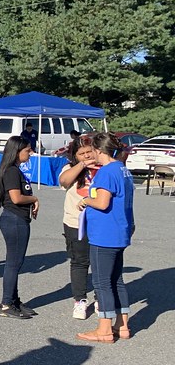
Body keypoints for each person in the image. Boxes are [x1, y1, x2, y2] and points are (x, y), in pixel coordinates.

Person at [76, 132, 136, 344]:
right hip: (120, 230)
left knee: (101, 282)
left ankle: (104, 330)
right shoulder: (122, 169)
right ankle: (122, 325)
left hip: (105, 233)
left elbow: (102, 203)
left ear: (98, 150)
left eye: (92, 150)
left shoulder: (106, 172)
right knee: (116, 279)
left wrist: (86, 200)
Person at [0, 136, 39, 319]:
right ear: (17, 151)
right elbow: (16, 198)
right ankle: (6, 304)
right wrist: (34, 198)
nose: (30, 153)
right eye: (27, 150)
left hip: (17, 219)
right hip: (14, 220)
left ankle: (14, 300)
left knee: (15, 262)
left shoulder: (15, 170)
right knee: (13, 263)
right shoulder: (12, 171)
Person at [58, 136, 99, 320]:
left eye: (89, 151)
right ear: (75, 155)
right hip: (75, 222)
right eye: (81, 153)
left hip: (100, 222)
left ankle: (100, 298)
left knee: (100, 263)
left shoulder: (103, 167)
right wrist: (82, 165)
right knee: (79, 261)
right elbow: (64, 181)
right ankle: (80, 300)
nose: (87, 156)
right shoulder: (70, 168)